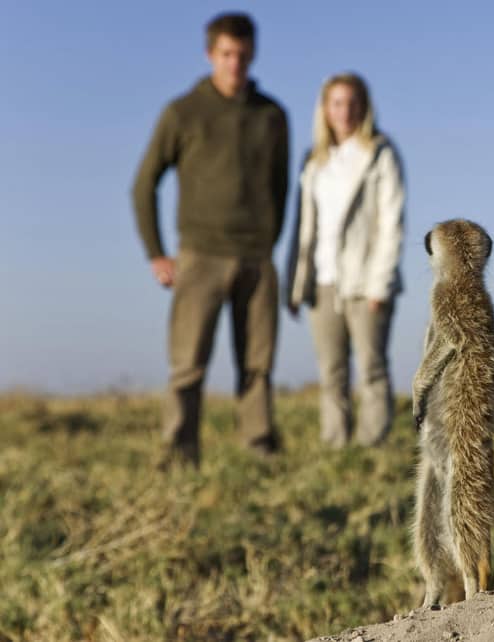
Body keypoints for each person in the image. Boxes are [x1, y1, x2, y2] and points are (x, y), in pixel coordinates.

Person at [131, 13, 289, 467]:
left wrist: (269, 241)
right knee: (187, 365)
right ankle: (179, 457)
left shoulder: (272, 115)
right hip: (199, 255)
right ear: (210, 55)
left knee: (258, 366)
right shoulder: (182, 112)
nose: (234, 63)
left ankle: (260, 453)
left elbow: (280, 188)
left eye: (242, 54)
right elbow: (144, 184)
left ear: (253, 54)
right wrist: (156, 252)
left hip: (257, 258)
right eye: (226, 54)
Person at [284, 73, 406, 448]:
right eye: (336, 102)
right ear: (325, 109)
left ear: (364, 106)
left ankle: (372, 446)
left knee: (371, 367)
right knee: (331, 372)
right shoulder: (314, 160)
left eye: (352, 102)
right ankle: (335, 446)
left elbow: (391, 221)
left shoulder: (380, 153)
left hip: (366, 280)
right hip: (324, 280)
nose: (345, 111)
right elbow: (304, 227)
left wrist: (379, 282)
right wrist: (296, 282)